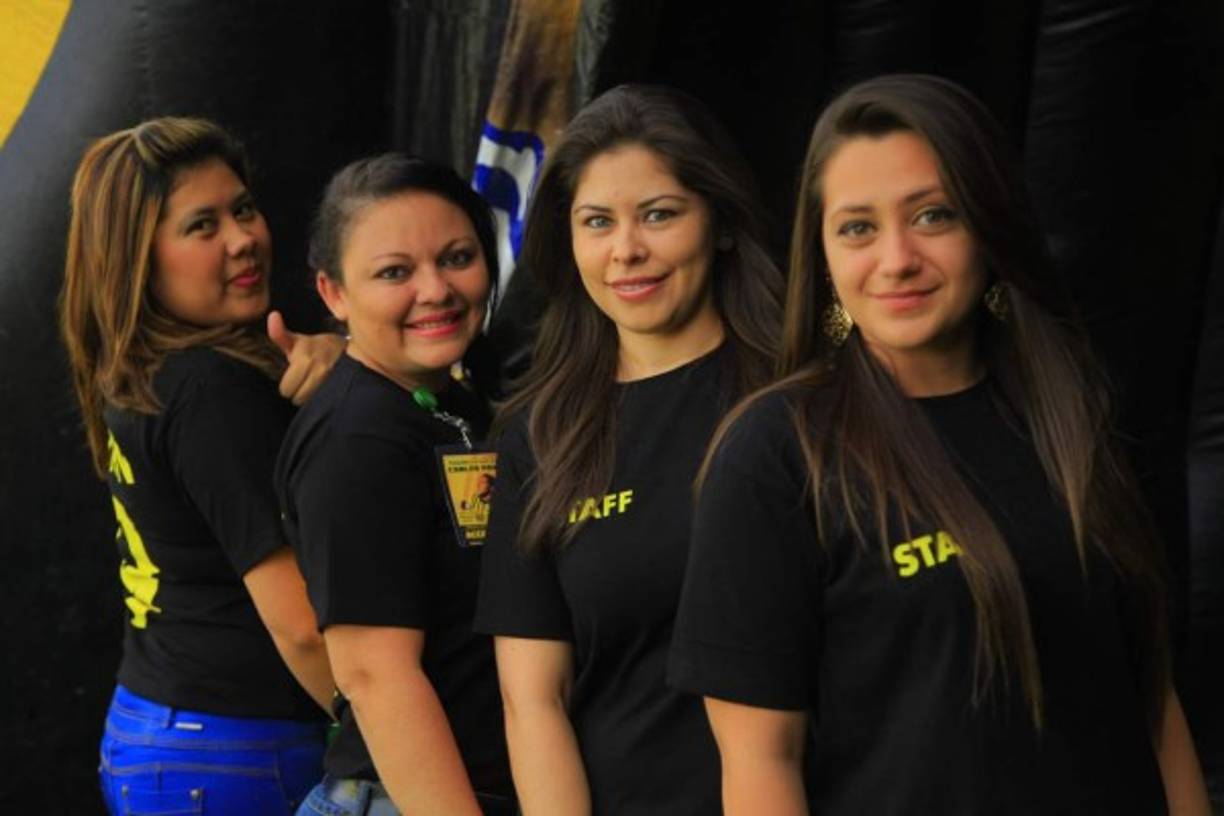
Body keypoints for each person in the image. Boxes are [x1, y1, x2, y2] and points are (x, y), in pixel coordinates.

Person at [668, 73, 1211, 815]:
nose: (896, 259)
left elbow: (1151, 699)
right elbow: (762, 762)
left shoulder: (1069, 416)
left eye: (932, 215)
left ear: (990, 225)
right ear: (822, 253)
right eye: (857, 227)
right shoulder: (777, 452)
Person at [473, 84, 784, 814]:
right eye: (597, 222)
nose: (626, 250)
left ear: (723, 223)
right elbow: (533, 703)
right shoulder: (539, 435)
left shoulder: (801, 397)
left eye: (659, 214)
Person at [60, 116, 344, 814]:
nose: (243, 238)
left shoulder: (144, 372)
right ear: (137, 256)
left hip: (160, 733)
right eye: (201, 226)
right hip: (237, 752)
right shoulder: (211, 390)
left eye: (242, 209)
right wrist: (398, 733)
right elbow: (302, 626)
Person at [275, 153, 515, 815]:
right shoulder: (357, 437)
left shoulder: (448, 404)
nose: (435, 290)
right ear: (333, 294)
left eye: (457, 257)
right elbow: (373, 674)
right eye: (394, 273)